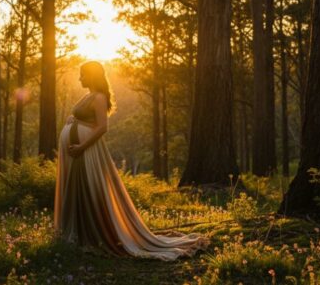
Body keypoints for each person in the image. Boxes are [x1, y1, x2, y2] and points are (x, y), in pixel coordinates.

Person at [54, 61, 209, 260]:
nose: (80, 78)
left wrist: (82, 147)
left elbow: (102, 127)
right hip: (77, 153)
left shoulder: (99, 97)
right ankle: (78, 235)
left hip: (87, 152)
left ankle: (92, 236)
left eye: (83, 75)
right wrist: (72, 121)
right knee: (78, 190)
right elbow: (85, 119)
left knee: (89, 190)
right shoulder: (88, 95)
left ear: (92, 76)